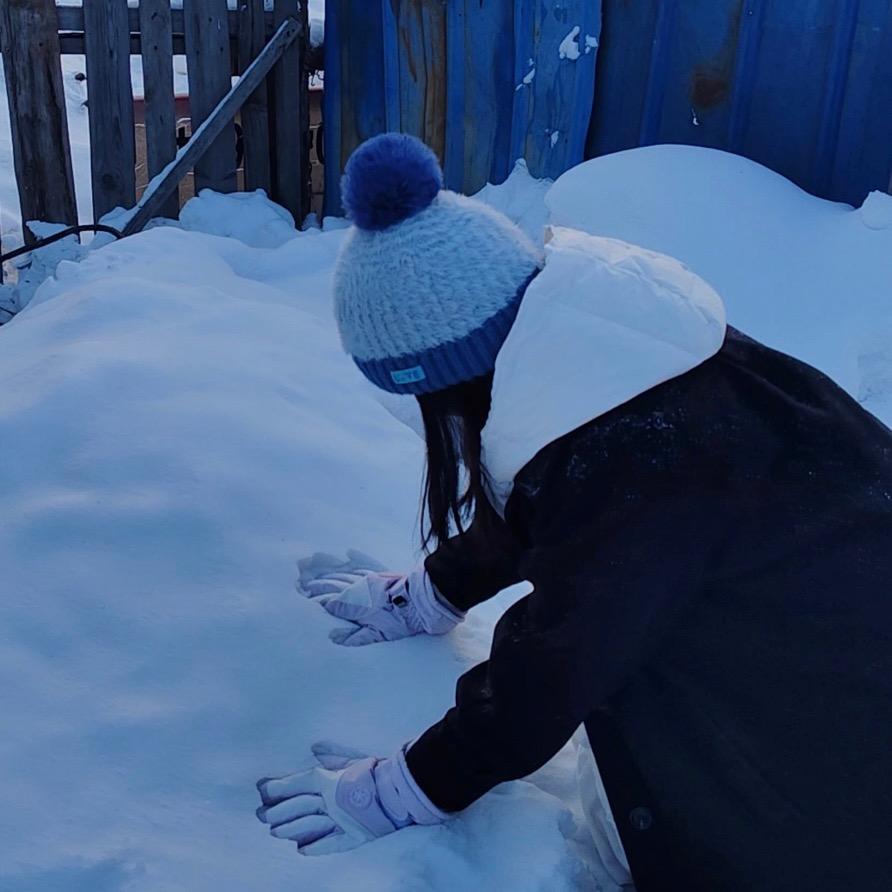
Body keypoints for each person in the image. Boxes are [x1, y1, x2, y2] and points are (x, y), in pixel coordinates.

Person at [255, 133, 892, 890]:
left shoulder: (640, 462)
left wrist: (405, 787)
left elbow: (551, 669)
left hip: (839, 732)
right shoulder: (615, 354)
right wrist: (438, 588)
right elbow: (564, 496)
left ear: (456, 377)